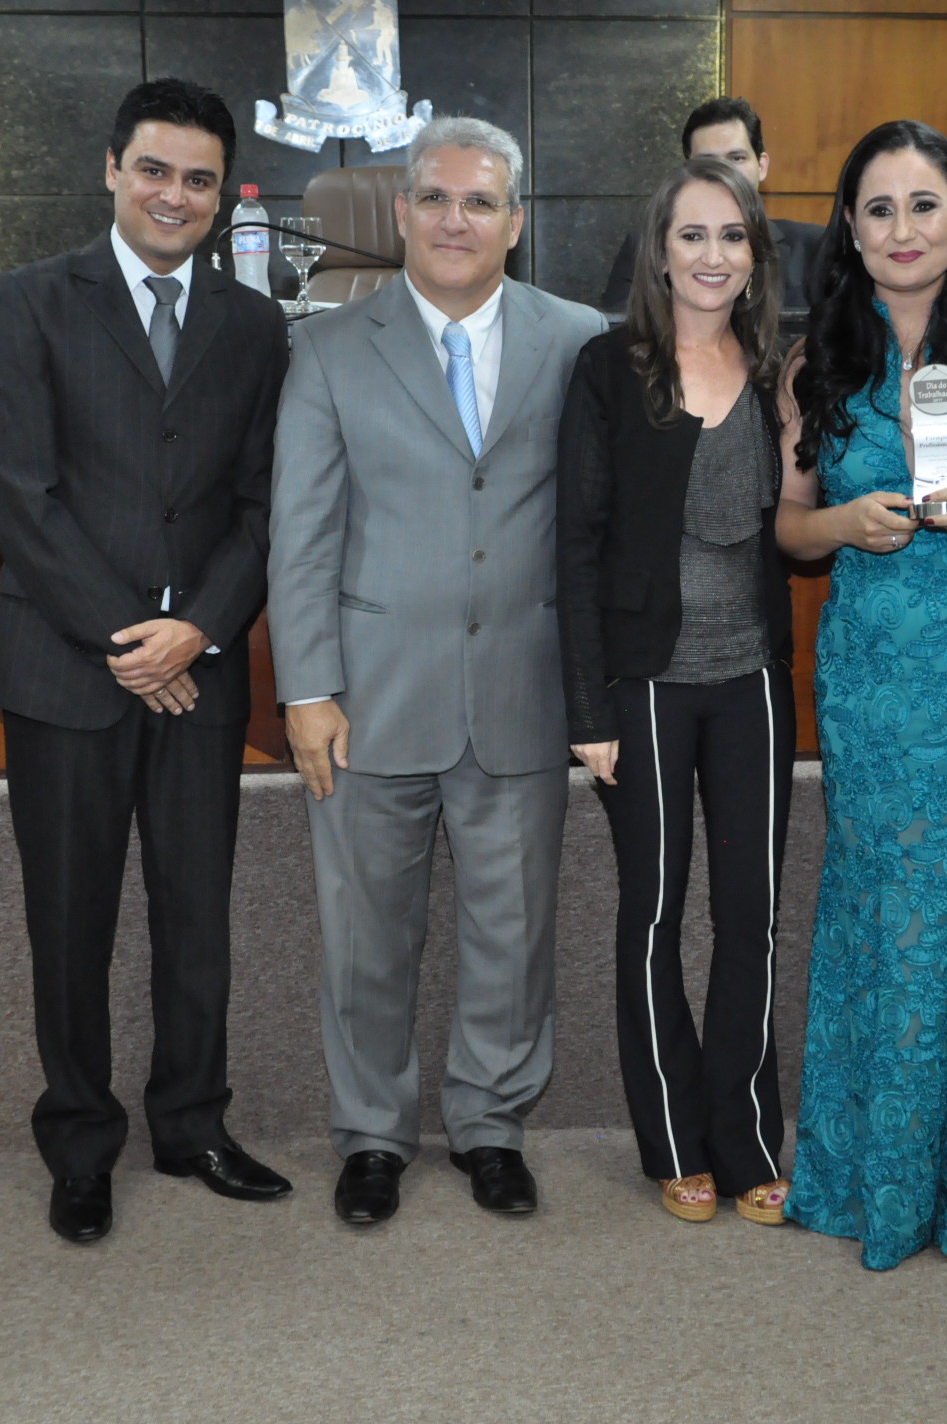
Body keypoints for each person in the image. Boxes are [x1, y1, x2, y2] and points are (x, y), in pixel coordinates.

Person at [269, 116, 608, 1227]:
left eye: (479, 202)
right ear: (401, 213)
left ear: (515, 222)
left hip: (523, 689)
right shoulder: (327, 347)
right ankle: (371, 1133)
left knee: (512, 935)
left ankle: (490, 1125)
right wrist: (306, 690)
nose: (454, 220)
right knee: (365, 938)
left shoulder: (579, 339)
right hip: (367, 699)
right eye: (434, 198)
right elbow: (301, 534)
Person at [0, 77, 293, 1246]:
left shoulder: (255, 325)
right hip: (65, 671)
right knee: (69, 919)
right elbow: (17, 496)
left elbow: (262, 504)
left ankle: (192, 1123)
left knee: (194, 915)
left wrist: (195, 630)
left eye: (198, 179)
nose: (174, 195)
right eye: (154, 170)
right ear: (111, 170)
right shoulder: (30, 300)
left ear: (222, 195)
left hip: (198, 668)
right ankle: (78, 1142)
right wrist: (128, 638)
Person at [774, 120, 947, 1271]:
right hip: (875, 687)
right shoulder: (815, 358)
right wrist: (840, 522)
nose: (902, 228)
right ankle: (875, 1185)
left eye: (923, 204)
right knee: (886, 921)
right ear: (849, 228)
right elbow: (787, 527)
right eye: (878, 208)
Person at [558, 158, 796, 1227]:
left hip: (752, 683)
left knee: (751, 916)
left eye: (732, 235)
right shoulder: (610, 368)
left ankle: (747, 1139)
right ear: (659, 251)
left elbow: (798, 522)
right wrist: (586, 710)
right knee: (654, 913)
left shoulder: (780, 368)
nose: (712, 254)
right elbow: (573, 547)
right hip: (644, 686)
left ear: (754, 255)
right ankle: (670, 1138)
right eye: (692, 234)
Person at [599, 97, 824, 311]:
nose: (722, 172)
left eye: (736, 158)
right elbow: (625, 330)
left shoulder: (815, 247)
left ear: (761, 166)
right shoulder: (645, 246)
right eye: (707, 162)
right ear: (687, 171)